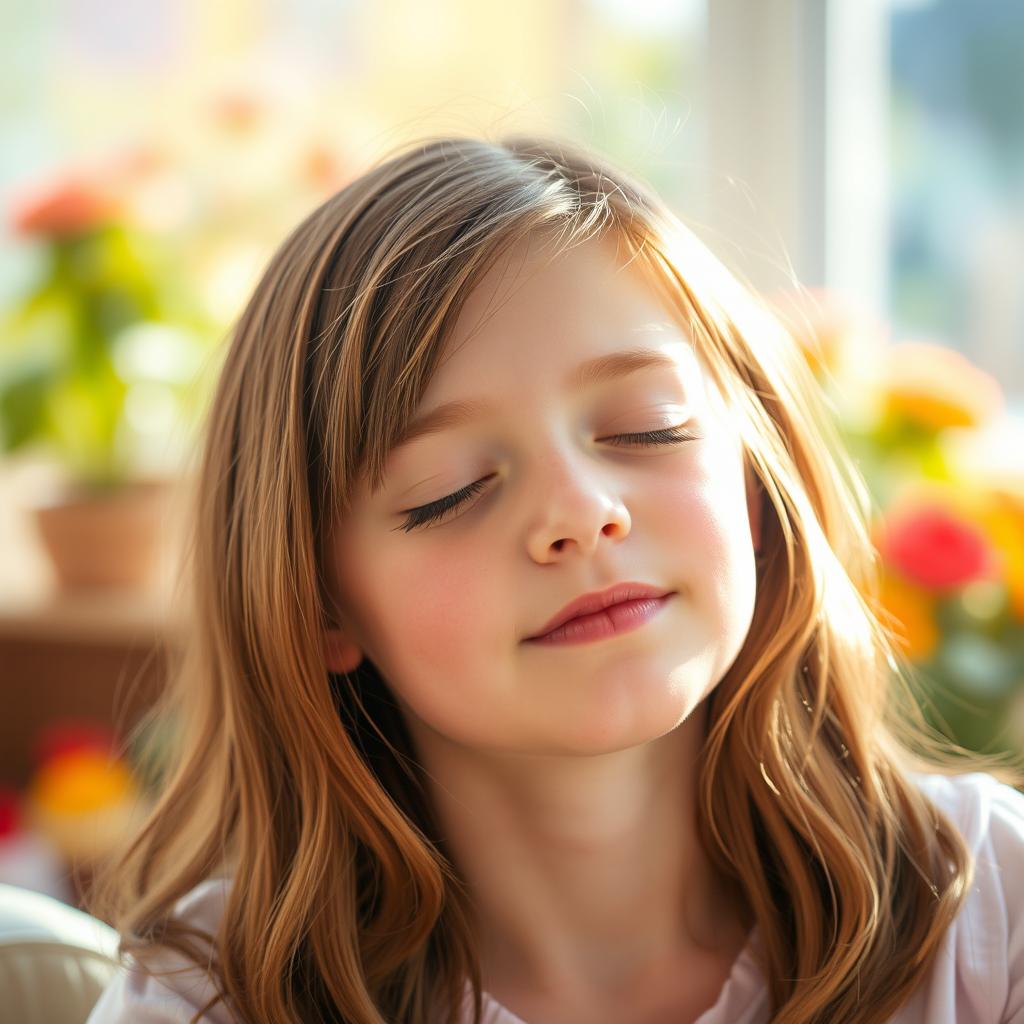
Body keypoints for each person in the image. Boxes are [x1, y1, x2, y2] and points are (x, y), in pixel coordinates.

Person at [84, 133, 1024, 1024]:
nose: (582, 513)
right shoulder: (207, 1001)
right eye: (450, 493)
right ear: (320, 604)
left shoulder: (990, 906)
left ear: (756, 470)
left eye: (646, 427)